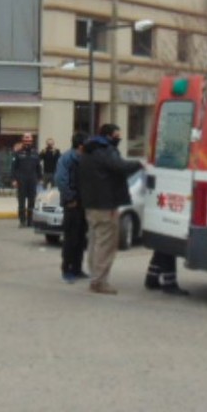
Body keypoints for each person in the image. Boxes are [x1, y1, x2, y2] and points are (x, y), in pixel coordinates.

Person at [77, 124, 143, 295]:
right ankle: (99, 281)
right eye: (116, 135)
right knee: (106, 245)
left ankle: (94, 276)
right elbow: (120, 167)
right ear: (107, 135)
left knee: (94, 242)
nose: (118, 138)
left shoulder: (87, 152)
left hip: (91, 204)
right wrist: (139, 164)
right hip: (106, 205)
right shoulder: (106, 150)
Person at [55, 131, 88, 283]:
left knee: (81, 238)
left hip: (83, 204)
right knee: (71, 238)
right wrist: (70, 198)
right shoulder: (67, 158)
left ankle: (77, 268)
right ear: (81, 145)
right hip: (72, 204)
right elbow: (61, 180)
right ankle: (66, 269)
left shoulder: (85, 159)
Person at [11, 132, 41, 227]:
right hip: (21, 179)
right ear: (23, 140)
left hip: (32, 179)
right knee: (21, 201)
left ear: (32, 140)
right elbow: (13, 167)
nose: (27, 141)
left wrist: (40, 178)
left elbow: (38, 167)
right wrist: (14, 179)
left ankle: (30, 221)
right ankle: (22, 221)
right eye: (26, 139)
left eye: (29, 139)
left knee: (32, 201)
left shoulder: (35, 153)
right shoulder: (18, 153)